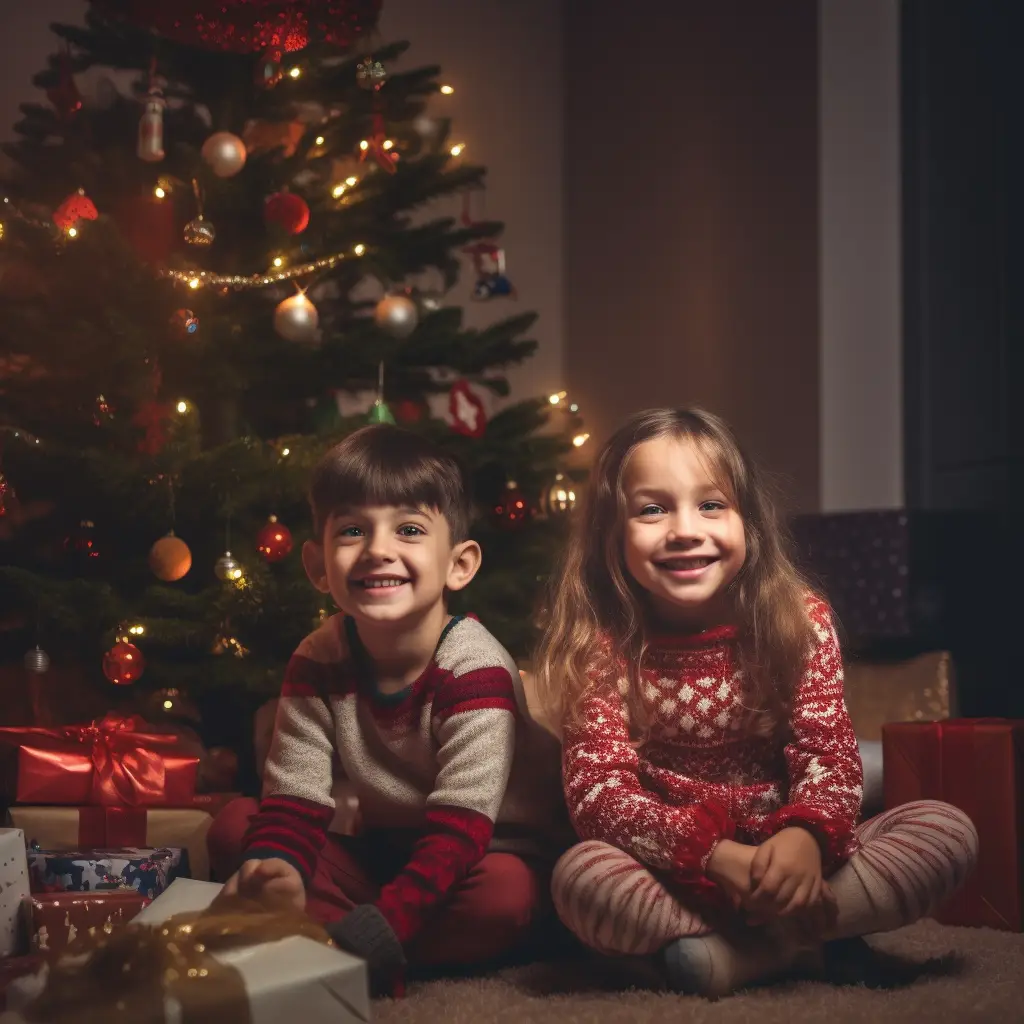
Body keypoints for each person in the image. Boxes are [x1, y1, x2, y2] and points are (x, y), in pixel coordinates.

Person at [534, 407, 978, 999]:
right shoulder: (601, 644)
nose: (685, 529)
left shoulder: (799, 619)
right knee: (581, 878)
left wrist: (806, 840)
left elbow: (831, 755)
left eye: (711, 505)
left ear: (750, 522)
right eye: (652, 509)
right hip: (678, 866)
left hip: (797, 856)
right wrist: (714, 857)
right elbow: (599, 796)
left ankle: (740, 951)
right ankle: (807, 941)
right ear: (611, 535)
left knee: (947, 830)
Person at [212, 424, 568, 994]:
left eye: (408, 529)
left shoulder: (474, 667)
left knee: (506, 897)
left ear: (460, 564)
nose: (378, 549)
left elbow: (459, 832)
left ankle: (346, 944)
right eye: (352, 530)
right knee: (238, 829)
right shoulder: (317, 658)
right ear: (318, 567)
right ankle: (346, 933)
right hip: (390, 850)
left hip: (484, 853)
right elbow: (294, 799)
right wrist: (277, 864)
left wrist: (385, 928)